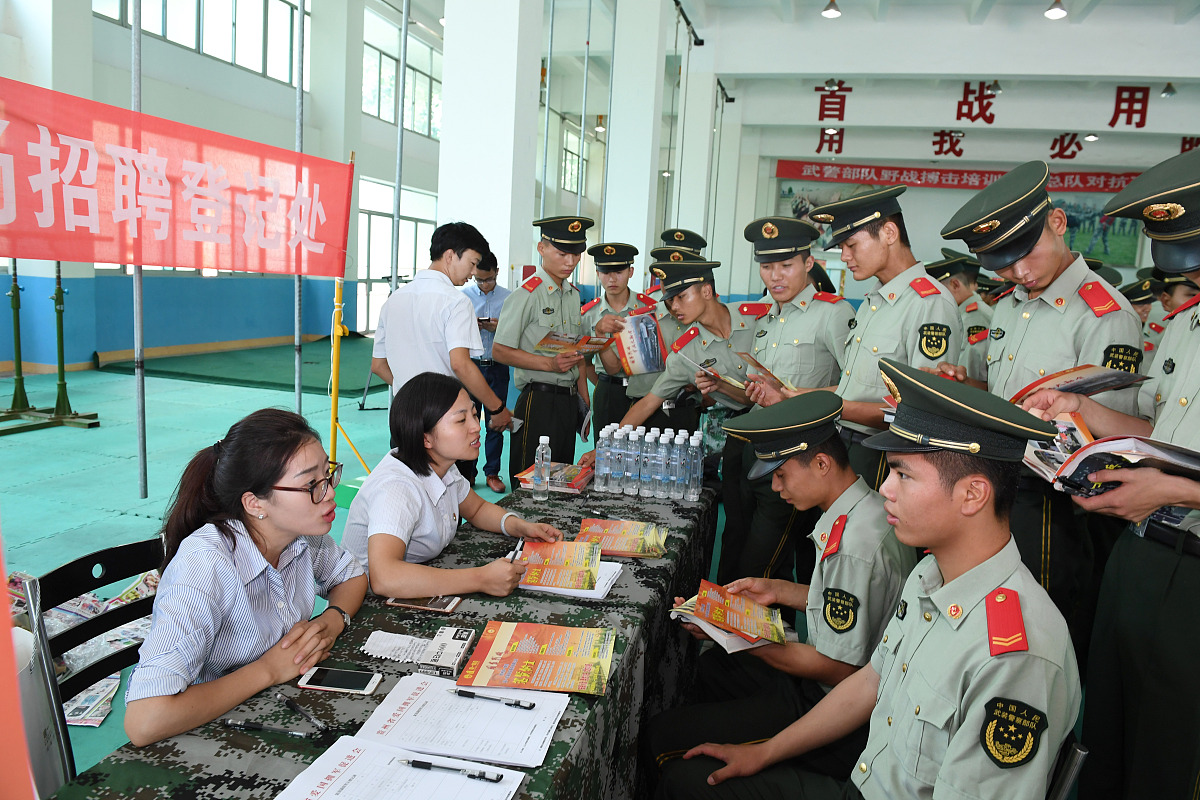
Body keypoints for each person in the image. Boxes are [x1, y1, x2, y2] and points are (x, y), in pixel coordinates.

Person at [667, 359, 1080, 800]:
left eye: (903, 474)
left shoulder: (1018, 658)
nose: (884, 488)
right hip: (860, 781)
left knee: (681, 775)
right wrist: (764, 753)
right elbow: (871, 680)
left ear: (973, 494)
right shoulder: (931, 572)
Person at [1019, 148, 1200, 799]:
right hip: (1141, 553)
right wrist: (1082, 408)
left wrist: (1172, 490)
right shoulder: (1186, 326)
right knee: (1109, 734)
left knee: (1172, 754)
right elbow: (1165, 435)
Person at [647, 392, 915, 796]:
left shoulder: (854, 546)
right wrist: (779, 590)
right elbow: (858, 601)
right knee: (715, 671)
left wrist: (735, 636)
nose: (775, 487)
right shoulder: (864, 511)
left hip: (834, 713)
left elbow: (839, 670)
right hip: (829, 690)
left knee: (662, 740)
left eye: (781, 474)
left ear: (821, 464)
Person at [937, 161, 1143, 668]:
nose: (1020, 273)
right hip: (1002, 483)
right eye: (1004, 267)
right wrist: (968, 386)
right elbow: (1003, 388)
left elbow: (1110, 439)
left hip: (1060, 506)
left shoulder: (1104, 314)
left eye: (1026, 253)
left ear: (1057, 222)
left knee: (1046, 634)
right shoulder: (1010, 306)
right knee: (997, 631)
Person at [123, 409, 368, 746]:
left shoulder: (299, 533)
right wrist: (268, 670)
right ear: (254, 504)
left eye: (327, 473)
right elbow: (145, 720)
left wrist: (332, 620)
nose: (328, 493)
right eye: (310, 484)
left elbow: (351, 577)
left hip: (275, 706)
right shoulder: (205, 567)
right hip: (210, 730)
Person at [342, 372, 563, 599]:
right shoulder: (396, 489)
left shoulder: (443, 465)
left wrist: (521, 527)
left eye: (475, 415)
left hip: (419, 582)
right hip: (368, 604)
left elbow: (477, 509)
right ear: (425, 438)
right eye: (461, 420)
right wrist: (481, 578)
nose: (476, 427)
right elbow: (385, 578)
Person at [807, 186, 963, 489]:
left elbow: (922, 410)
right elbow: (856, 387)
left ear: (889, 233)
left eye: (851, 244)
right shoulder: (873, 301)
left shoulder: (928, 303)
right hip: (844, 441)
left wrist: (830, 406)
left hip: (884, 454)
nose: (845, 256)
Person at [731, 217, 855, 584]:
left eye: (786, 265)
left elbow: (853, 387)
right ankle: (774, 634)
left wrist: (791, 398)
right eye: (767, 267)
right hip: (758, 444)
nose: (775, 277)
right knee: (752, 547)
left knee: (762, 562)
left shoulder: (833, 313)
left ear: (808, 263)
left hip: (801, 455)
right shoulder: (766, 315)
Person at [371, 222, 512, 449]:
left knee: (407, 479)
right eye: (472, 263)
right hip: (443, 422)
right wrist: (497, 408)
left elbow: (378, 365)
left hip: (403, 416)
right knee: (448, 483)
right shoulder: (455, 301)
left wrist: (412, 392)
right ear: (449, 256)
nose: (473, 272)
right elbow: (461, 365)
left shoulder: (393, 300)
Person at [493, 215, 594, 486]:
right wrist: (549, 365)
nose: (570, 262)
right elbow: (500, 350)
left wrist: (583, 402)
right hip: (538, 400)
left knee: (562, 480)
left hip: (568, 401)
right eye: (562, 253)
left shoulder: (572, 296)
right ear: (542, 248)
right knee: (532, 483)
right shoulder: (526, 295)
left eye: (576, 255)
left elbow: (576, 353)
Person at [580, 242, 655, 433]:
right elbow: (586, 362)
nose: (612, 279)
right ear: (598, 274)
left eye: (619, 272)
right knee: (605, 453)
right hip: (608, 393)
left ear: (631, 272)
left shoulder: (649, 310)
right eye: (605, 272)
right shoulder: (589, 315)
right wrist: (605, 386)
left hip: (644, 391)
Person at [460, 251, 512, 493]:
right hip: (471, 366)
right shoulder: (464, 297)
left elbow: (515, 333)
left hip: (497, 367)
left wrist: (498, 328)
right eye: (479, 280)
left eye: (488, 279)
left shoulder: (509, 299)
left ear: (497, 273)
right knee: (467, 422)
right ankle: (466, 474)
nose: (483, 285)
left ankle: (492, 472)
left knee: (496, 421)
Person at [927, 248, 993, 383]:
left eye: (940, 290)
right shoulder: (967, 313)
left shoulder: (974, 318)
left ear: (955, 284)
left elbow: (968, 375)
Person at [1117, 278, 1162, 373]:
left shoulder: (1155, 331)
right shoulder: (1118, 332)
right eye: (1141, 305)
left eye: (1149, 303)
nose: (1147, 309)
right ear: (1127, 306)